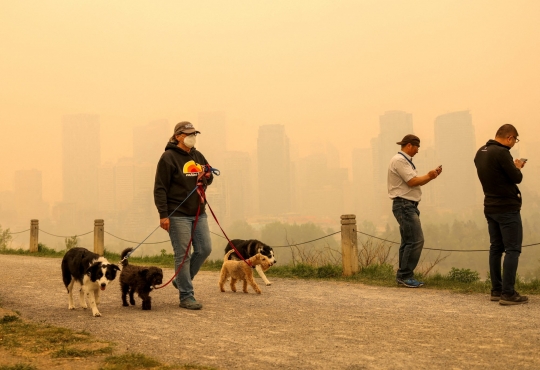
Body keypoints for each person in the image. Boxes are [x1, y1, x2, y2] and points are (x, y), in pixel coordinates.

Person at [154, 121, 213, 310]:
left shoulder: (197, 155)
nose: (192, 137)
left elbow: (209, 176)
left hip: (198, 212)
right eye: (188, 134)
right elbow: (160, 188)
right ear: (178, 136)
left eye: (194, 133)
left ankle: (181, 280)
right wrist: (164, 215)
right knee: (183, 255)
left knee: (205, 249)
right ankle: (186, 296)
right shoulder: (168, 157)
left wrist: (206, 175)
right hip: (177, 214)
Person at [474, 124, 527, 305]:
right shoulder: (502, 153)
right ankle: (508, 293)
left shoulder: (480, 152)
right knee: (512, 249)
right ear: (510, 137)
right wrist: (517, 166)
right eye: (514, 141)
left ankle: (496, 290)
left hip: (490, 206)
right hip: (507, 208)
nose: (513, 144)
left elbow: (495, 175)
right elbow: (516, 178)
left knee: (496, 248)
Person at [388, 134, 442, 288]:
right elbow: (412, 181)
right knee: (416, 240)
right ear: (410, 145)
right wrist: (430, 176)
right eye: (417, 147)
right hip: (404, 205)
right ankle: (405, 275)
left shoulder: (405, 161)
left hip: (407, 205)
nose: (418, 151)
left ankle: (403, 275)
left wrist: (431, 176)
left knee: (407, 241)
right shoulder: (399, 160)